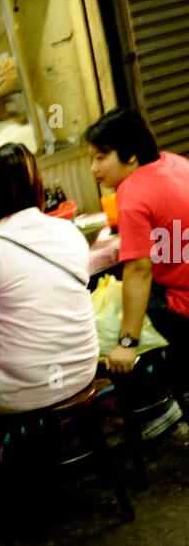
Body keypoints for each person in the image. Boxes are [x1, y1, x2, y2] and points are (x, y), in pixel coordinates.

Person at [0, 145, 99, 415]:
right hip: (83, 371)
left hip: (25, 392)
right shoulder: (68, 231)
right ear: (36, 185)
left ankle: (4, 455)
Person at [87, 107, 189, 380]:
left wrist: (127, 343)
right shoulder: (176, 162)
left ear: (131, 155)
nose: (93, 168)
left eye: (101, 157)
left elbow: (139, 270)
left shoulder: (131, 193)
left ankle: (155, 415)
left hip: (182, 306)